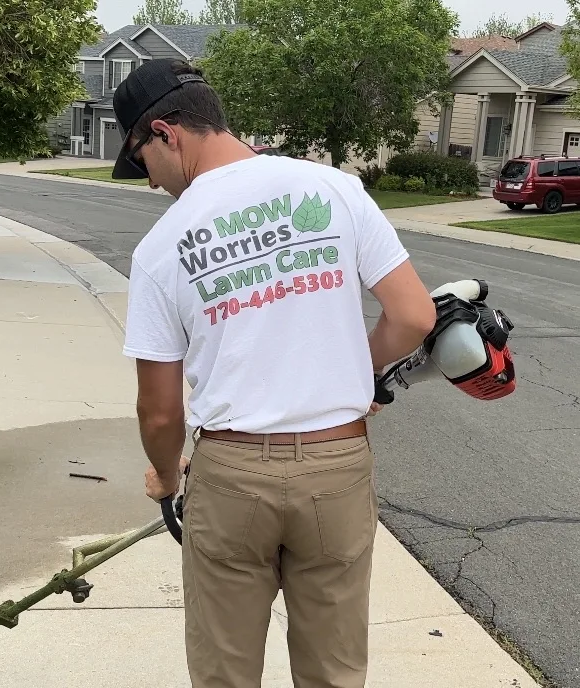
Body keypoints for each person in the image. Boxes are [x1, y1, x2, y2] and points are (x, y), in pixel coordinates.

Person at [112, 58, 437, 688]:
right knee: (335, 673)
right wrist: (349, 372)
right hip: (336, 470)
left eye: (141, 162)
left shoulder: (160, 248)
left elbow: (158, 411)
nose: (150, 184)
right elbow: (414, 317)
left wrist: (163, 472)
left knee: (224, 675)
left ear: (165, 134)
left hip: (231, 480)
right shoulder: (335, 189)